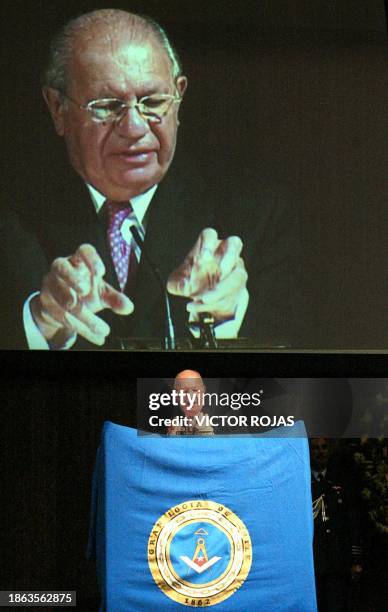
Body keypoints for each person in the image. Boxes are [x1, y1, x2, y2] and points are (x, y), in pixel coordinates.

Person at [1, 8, 300, 350]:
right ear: (58, 108)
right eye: (107, 105)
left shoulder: (258, 213)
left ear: (179, 97)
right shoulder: (10, 218)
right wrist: (43, 319)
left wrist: (224, 315)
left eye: (153, 102)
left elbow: (297, 376)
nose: (134, 128)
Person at [310, 438, 363, 611]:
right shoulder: (302, 482)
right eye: (316, 448)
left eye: (324, 447)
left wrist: (355, 559)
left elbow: (351, 521)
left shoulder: (339, 481)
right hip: (312, 561)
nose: (320, 451)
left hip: (336, 560)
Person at [167, 369, 214, 435]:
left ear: (203, 392)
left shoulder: (208, 423)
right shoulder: (176, 423)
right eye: (184, 391)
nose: (190, 396)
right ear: (177, 397)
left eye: (195, 390)